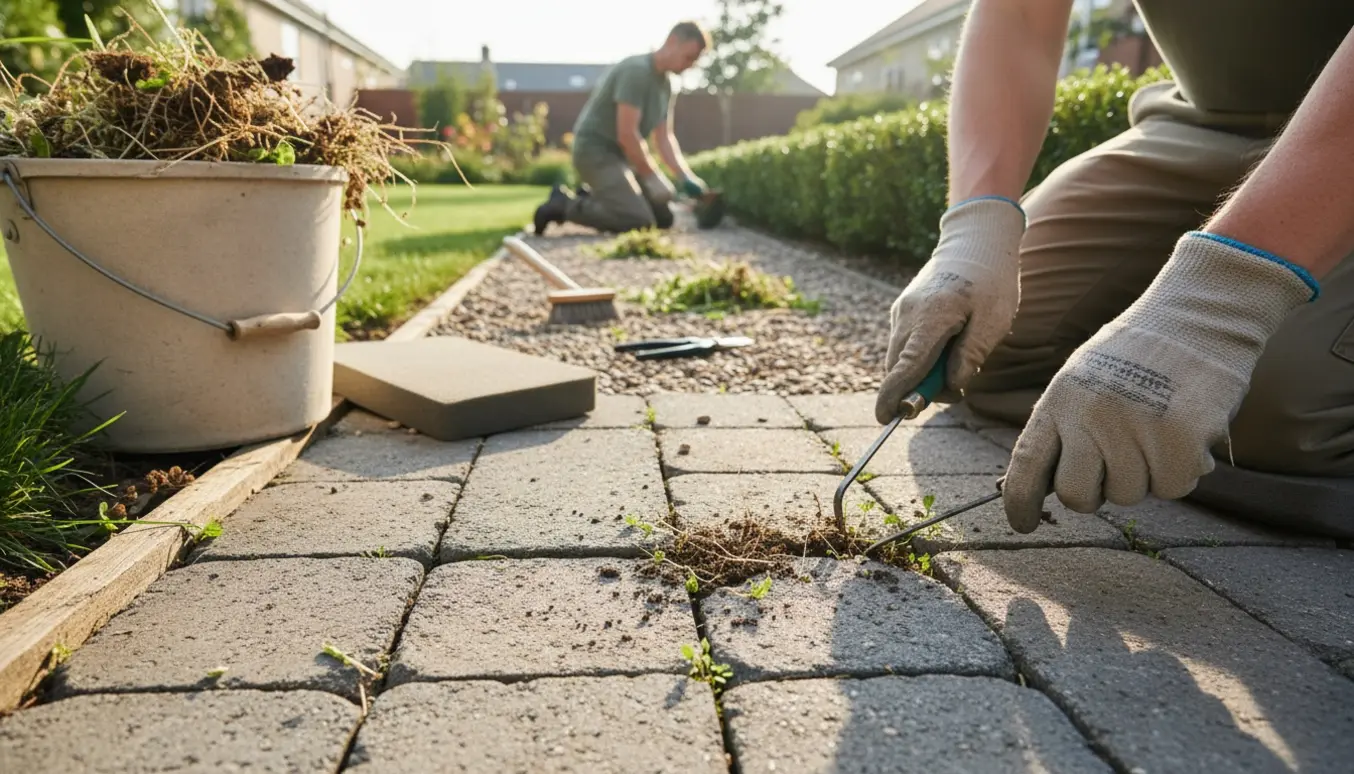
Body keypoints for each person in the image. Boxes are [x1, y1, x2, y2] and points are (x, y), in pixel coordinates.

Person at [876, 1, 1354, 537]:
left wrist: (1216, 306)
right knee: (987, 345)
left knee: (1285, 414)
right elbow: (1022, 13)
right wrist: (975, 232)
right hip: (1207, 124)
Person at [532, 21, 711, 236]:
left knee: (664, 219)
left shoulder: (666, 86)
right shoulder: (636, 72)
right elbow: (627, 134)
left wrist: (686, 178)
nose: (690, 65)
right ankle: (563, 205)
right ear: (672, 42)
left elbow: (664, 138)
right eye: (689, 57)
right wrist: (652, 176)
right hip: (595, 153)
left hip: (621, 159)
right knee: (638, 221)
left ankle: (596, 197)